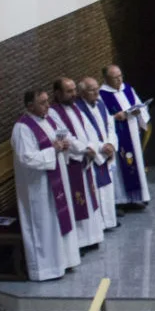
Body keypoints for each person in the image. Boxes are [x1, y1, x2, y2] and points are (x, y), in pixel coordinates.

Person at [12, 89, 80, 281]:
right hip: (38, 187)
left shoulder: (47, 119)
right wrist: (54, 150)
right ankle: (46, 269)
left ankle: (64, 261)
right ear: (30, 106)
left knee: (58, 220)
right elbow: (26, 158)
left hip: (56, 180)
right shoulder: (22, 128)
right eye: (42, 103)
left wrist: (63, 146)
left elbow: (58, 142)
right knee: (44, 224)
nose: (48, 106)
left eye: (47, 101)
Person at [47, 78, 104, 250]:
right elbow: (65, 137)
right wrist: (84, 149)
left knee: (89, 197)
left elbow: (89, 130)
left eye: (74, 90)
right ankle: (81, 242)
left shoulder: (75, 107)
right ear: (57, 93)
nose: (74, 94)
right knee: (78, 200)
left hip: (85, 158)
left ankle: (92, 237)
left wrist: (93, 146)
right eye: (69, 91)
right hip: (73, 161)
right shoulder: (53, 113)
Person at [98, 64, 152, 209]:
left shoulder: (127, 89)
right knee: (120, 169)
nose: (119, 80)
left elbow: (139, 105)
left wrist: (138, 111)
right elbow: (100, 118)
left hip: (132, 133)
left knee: (135, 163)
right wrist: (115, 117)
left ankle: (136, 197)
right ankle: (120, 201)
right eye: (114, 78)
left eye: (120, 76)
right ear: (106, 78)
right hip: (117, 135)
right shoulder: (101, 95)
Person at [76, 77, 120, 231]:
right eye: (91, 90)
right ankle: (100, 224)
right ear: (81, 92)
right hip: (95, 154)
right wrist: (102, 147)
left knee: (107, 189)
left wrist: (111, 144)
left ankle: (109, 220)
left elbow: (110, 126)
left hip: (106, 150)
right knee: (97, 190)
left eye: (96, 88)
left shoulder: (100, 103)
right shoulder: (78, 108)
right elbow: (84, 134)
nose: (96, 92)